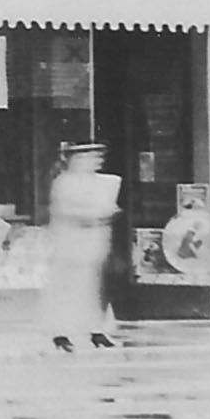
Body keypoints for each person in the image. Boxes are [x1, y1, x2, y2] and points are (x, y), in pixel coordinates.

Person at [40, 143, 121, 352]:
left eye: (97, 157)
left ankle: (97, 331)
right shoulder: (64, 183)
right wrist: (94, 214)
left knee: (93, 291)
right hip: (70, 245)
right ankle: (61, 333)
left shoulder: (102, 182)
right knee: (68, 291)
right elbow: (64, 211)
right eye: (89, 157)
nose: (96, 161)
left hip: (93, 245)